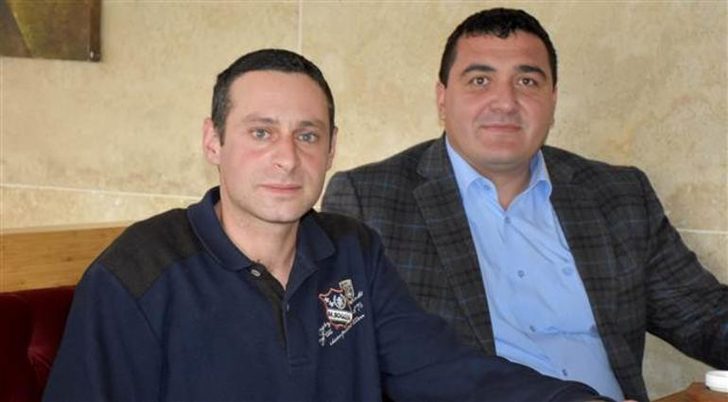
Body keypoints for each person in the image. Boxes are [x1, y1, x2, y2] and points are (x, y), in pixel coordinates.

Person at [42, 49, 610, 402]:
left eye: (307, 135)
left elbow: (442, 370)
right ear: (213, 141)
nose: (287, 158)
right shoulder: (137, 274)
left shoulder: (352, 251)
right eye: (261, 132)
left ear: (332, 149)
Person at [322, 8, 728, 402]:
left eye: (527, 81)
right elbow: (355, 356)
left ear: (553, 99)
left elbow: (703, 314)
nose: (505, 102)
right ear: (442, 98)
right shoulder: (370, 200)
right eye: (480, 80)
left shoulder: (618, 196)